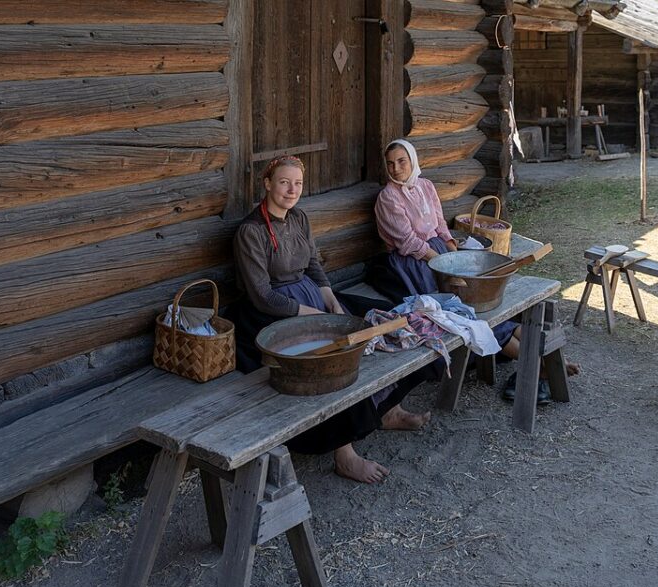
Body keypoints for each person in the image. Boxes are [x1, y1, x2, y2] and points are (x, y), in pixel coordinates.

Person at [231, 155, 429, 484]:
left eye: (297, 183)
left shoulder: (299, 219)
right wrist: (315, 316)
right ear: (267, 184)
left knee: (375, 332)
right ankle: (344, 454)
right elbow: (262, 295)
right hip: (272, 313)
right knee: (328, 366)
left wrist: (332, 302)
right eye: (283, 182)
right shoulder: (250, 232)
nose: (291, 190)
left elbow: (313, 266)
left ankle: (387, 409)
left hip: (310, 296)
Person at [372, 139, 578, 404]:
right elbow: (409, 242)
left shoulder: (425, 186)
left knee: (482, 306)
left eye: (402, 161)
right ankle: (541, 366)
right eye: (390, 164)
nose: (396, 168)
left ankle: (545, 361)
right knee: (464, 314)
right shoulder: (388, 197)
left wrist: (454, 253)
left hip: (439, 252)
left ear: (412, 161)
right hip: (413, 262)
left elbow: (439, 226)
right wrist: (443, 264)